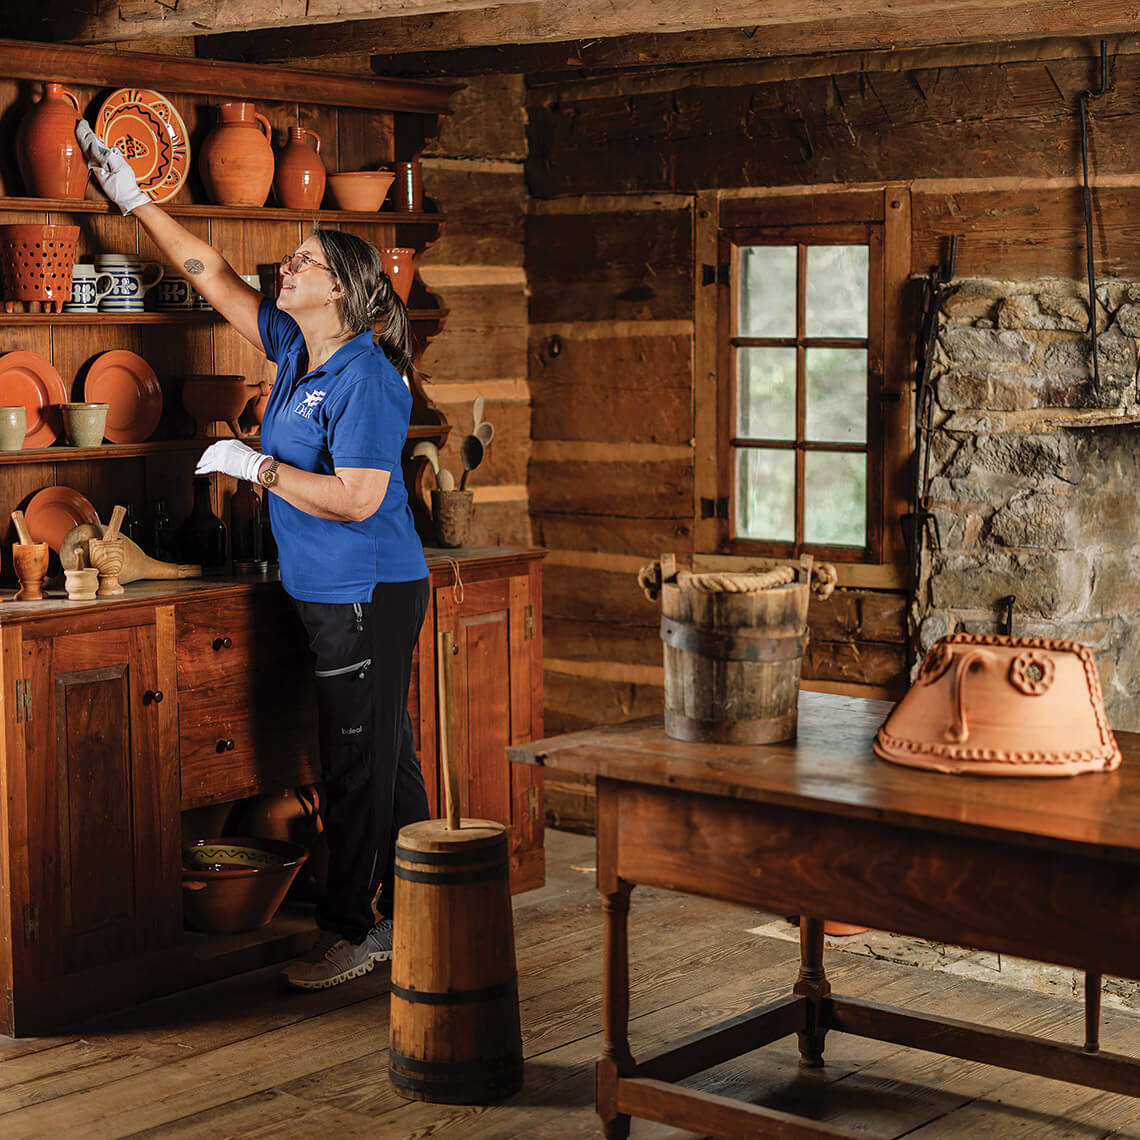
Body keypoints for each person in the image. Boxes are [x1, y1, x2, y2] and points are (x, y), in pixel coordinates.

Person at [76, 121, 432, 990]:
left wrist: (257, 466)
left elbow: (360, 498)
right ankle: (431, 913)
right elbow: (212, 274)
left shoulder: (369, 378)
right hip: (324, 591)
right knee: (385, 760)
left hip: (368, 590)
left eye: (305, 262)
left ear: (345, 291)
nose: (287, 269)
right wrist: (136, 202)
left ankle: (353, 931)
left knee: (356, 763)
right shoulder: (294, 350)